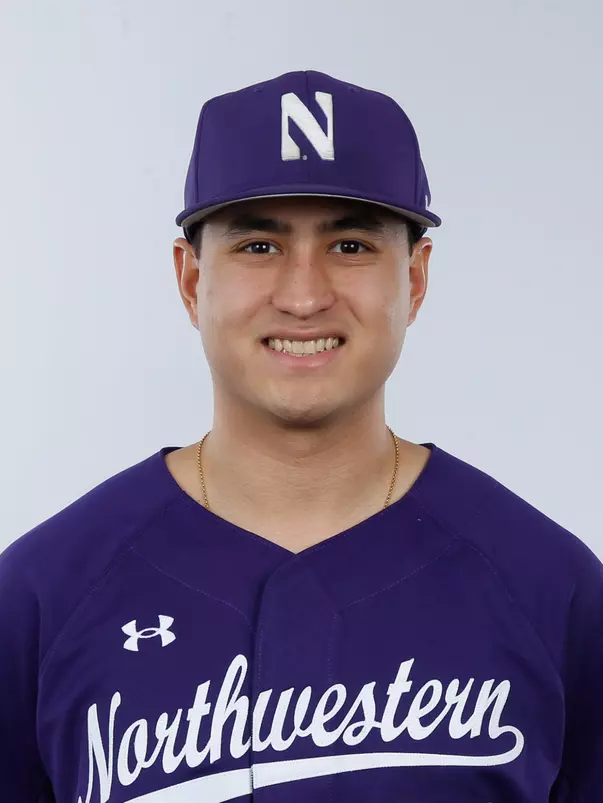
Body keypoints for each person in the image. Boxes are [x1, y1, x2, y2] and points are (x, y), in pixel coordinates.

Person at [0, 69, 601, 803]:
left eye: (350, 246)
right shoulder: (40, 595)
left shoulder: (550, 589)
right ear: (191, 279)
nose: (304, 294)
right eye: (259, 246)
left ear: (414, 278)